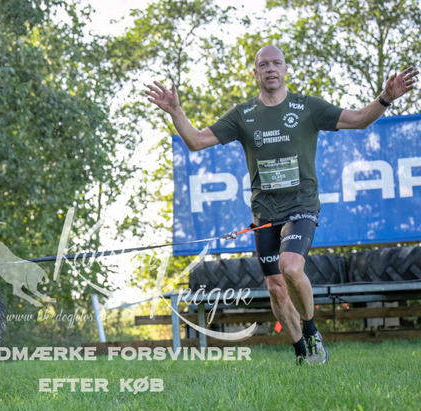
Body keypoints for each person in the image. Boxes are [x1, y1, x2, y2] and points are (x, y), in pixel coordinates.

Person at [146, 44, 418, 365]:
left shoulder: (308, 107)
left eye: (276, 63)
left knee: (290, 267)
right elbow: (196, 141)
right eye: (264, 64)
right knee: (276, 288)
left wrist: (385, 97)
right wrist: (176, 111)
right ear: (255, 73)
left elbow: (359, 120)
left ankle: (311, 331)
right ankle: (303, 354)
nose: (271, 69)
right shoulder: (243, 114)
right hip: (264, 214)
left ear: (286, 69)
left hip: (302, 205)